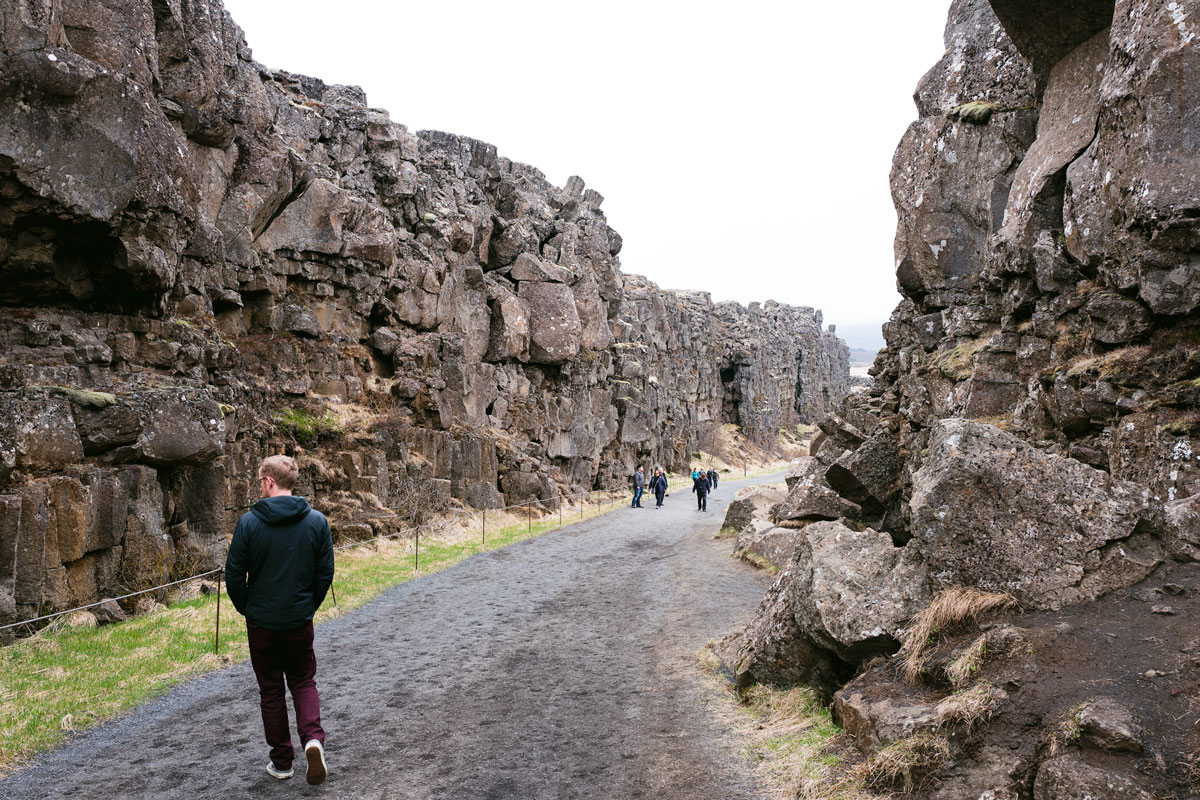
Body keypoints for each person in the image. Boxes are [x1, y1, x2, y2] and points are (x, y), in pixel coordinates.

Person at [225, 455, 335, 785]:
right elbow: (324, 573)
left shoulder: (248, 523)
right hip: (298, 620)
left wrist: (249, 609)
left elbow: (233, 575)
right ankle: (313, 739)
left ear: (270, 481)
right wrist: (307, 606)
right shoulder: (316, 522)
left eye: (260, 481)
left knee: (271, 692)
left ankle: (282, 762)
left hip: (262, 624)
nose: (259, 486)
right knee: (303, 681)